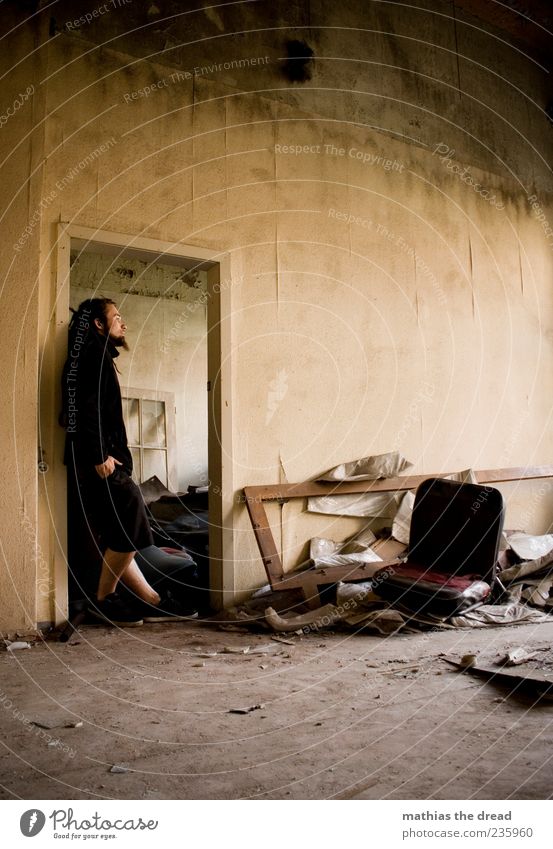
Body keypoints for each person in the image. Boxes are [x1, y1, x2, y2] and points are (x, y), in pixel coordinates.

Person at [60, 297, 197, 625]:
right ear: (98, 324)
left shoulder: (92, 355)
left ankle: (153, 600)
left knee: (118, 533)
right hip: (100, 461)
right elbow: (82, 408)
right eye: (117, 317)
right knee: (131, 518)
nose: (124, 324)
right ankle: (104, 599)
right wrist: (97, 454)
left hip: (97, 460)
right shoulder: (93, 355)